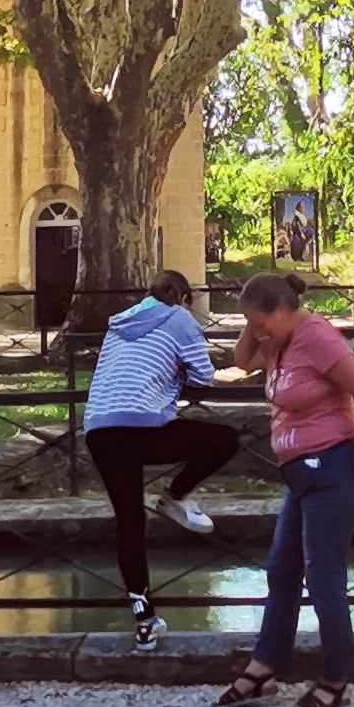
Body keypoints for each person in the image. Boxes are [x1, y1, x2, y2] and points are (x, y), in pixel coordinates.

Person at [213, 271, 354, 707]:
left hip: (333, 469)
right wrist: (256, 327)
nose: (257, 329)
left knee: (323, 578)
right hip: (300, 475)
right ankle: (266, 664)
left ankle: (337, 677)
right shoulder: (276, 338)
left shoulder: (317, 338)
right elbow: (242, 360)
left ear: (285, 310)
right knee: (281, 572)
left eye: (262, 321)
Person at [82, 271, 237, 647]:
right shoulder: (180, 318)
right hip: (143, 427)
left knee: (130, 525)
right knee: (224, 439)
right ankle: (176, 495)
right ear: (181, 297)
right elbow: (203, 375)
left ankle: (145, 620)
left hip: (99, 428)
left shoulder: (120, 323)